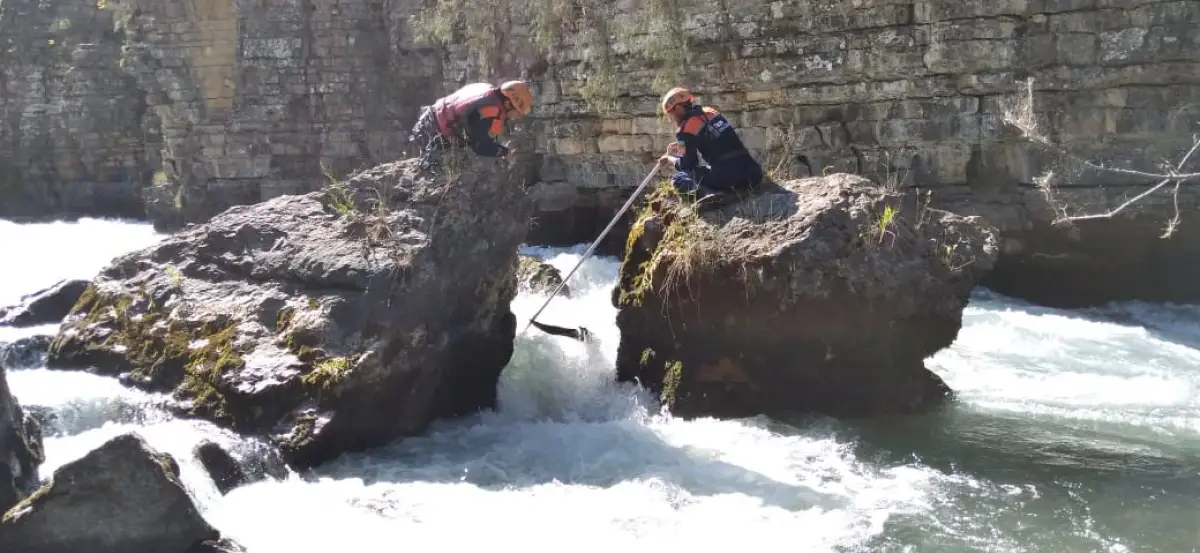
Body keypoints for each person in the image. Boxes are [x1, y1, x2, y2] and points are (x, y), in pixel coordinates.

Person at [655, 87, 764, 198]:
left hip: (730, 178)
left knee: (678, 178)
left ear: (677, 108)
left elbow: (688, 164)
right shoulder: (711, 112)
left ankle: (710, 195)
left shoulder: (684, 130)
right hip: (754, 173)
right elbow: (713, 136)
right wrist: (682, 144)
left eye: (671, 113)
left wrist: (670, 159)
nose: (672, 117)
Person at [409, 80, 534, 170]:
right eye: (517, 112)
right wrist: (505, 152)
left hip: (427, 120)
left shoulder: (486, 89)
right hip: (432, 137)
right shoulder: (493, 112)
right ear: (508, 104)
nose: (516, 116)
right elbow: (480, 147)